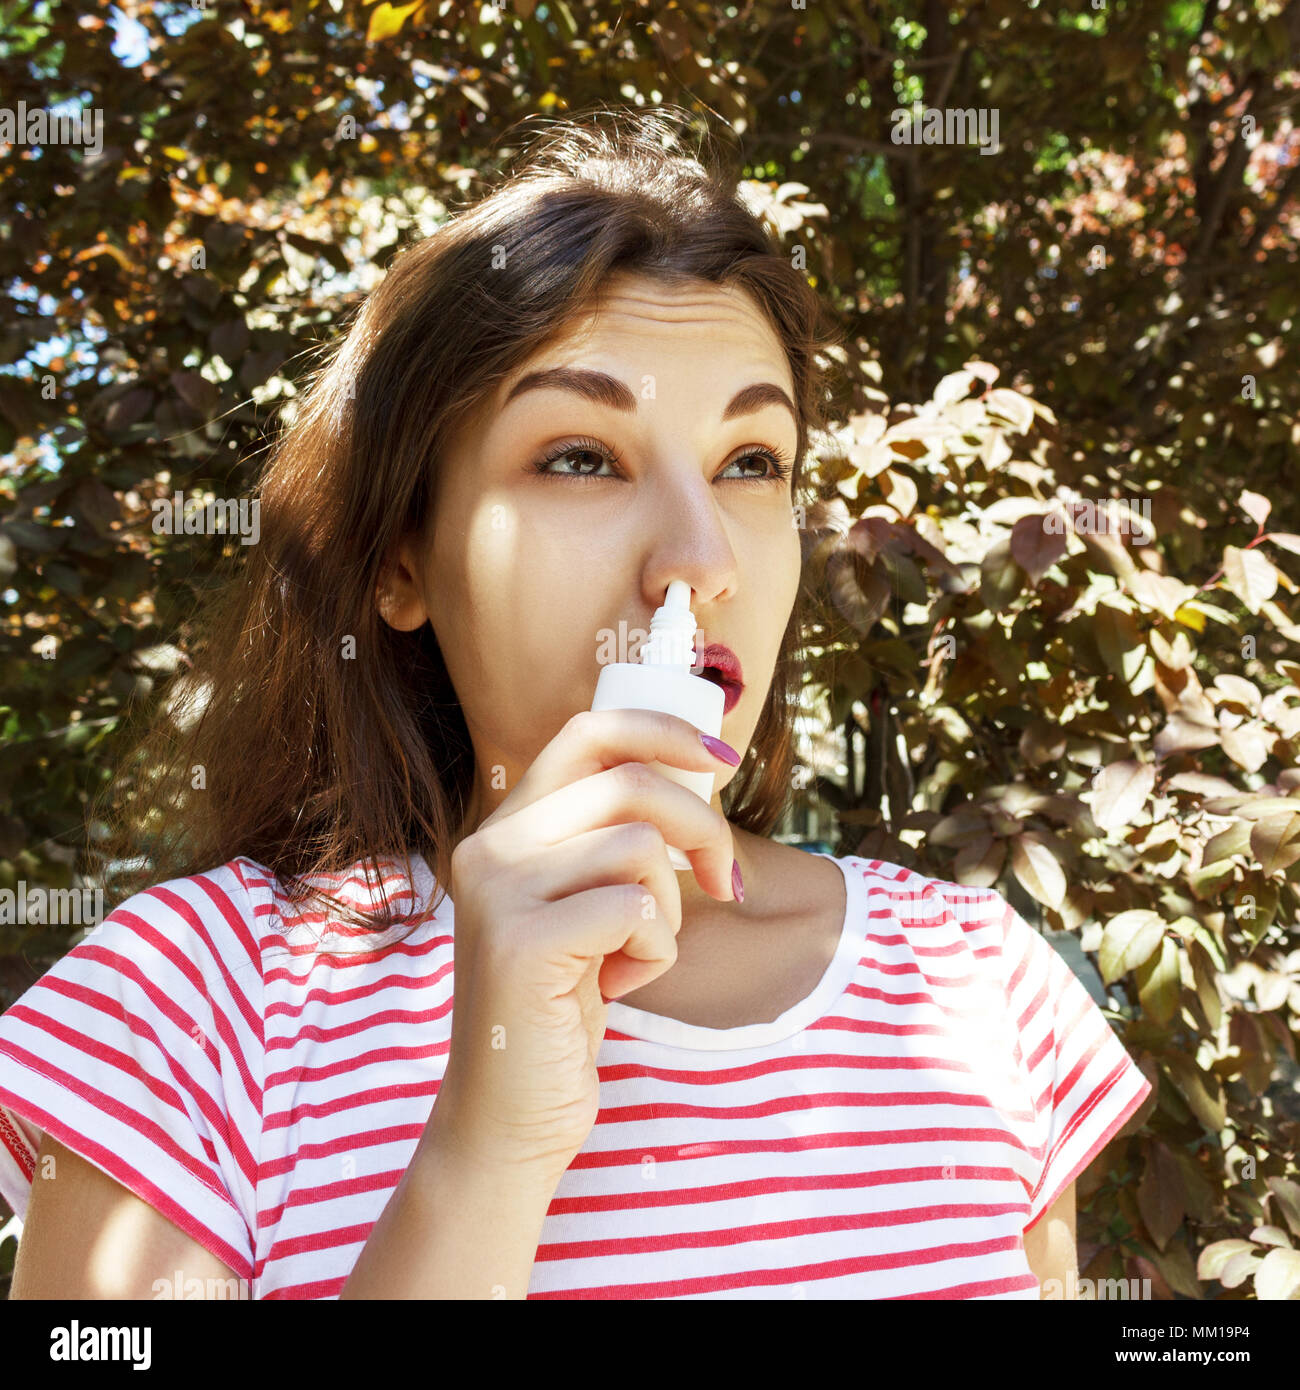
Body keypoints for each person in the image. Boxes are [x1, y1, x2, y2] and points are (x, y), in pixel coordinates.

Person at [0, 104, 1150, 1300]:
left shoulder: (976, 987)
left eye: (750, 463)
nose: (697, 559)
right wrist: (485, 1149)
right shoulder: (187, 1011)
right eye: (580, 457)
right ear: (400, 561)